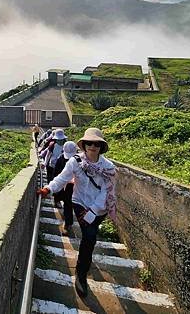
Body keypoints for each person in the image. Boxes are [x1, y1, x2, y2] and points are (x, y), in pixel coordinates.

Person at [37, 127, 117, 299]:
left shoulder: (108, 167)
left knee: (90, 237)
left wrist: (93, 211)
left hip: (99, 208)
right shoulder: (75, 161)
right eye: (89, 143)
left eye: (96, 143)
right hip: (79, 202)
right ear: (84, 144)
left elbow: (106, 192)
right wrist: (48, 188)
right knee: (89, 236)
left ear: (101, 146)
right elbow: (63, 178)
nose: (92, 146)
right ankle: (81, 276)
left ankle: (83, 265)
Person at [52, 141, 78, 235]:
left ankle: (68, 224)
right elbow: (56, 173)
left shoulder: (76, 160)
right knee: (65, 202)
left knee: (68, 204)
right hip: (63, 185)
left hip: (71, 187)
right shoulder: (61, 159)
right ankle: (57, 201)